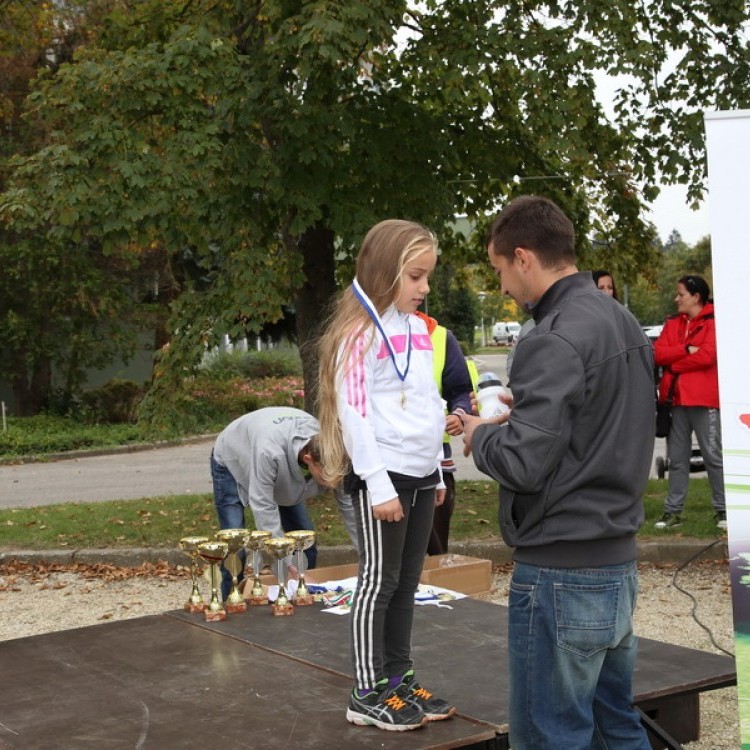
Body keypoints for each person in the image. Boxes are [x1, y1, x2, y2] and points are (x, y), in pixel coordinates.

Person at [460, 196, 655, 750]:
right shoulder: (621, 319)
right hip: (616, 560)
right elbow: (603, 417)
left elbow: (523, 463)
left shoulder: (551, 336)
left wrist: (482, 433)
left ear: (523, 257)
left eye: (499, 270)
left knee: (551, 737)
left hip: (561, 571)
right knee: (616, 725)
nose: (501, 287)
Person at [317, 219, 455, 731]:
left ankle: (398, 678)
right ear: (383, 273)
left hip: (420, 474)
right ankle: (365, 689)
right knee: (379, 581)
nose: (423, 289)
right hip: (384, 477)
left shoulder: (418, 329)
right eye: (415, 277)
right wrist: (377, 483)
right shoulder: (357, 334)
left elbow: (427, 401)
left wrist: (438, 470)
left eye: (426, 279)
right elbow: (354, 414)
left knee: (408, 583)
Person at [210, 406, 357, 600]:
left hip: (282, 469)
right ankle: (230, 603)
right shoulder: (268, 452)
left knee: (304, 545)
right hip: (232, 458)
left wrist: (372, 559)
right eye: (328, 477)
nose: (333, 484)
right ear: (308, 459)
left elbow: (351, 511)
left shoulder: (332, 451)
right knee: (235, 549)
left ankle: (301, 595)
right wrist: (288, 569)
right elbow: (264, 509)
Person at [653, 275, 726, 530]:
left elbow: (707, 356)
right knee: (678, 459)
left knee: (714, 455)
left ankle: (724, 511)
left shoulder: (714, 321)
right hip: (676, 401)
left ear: (696, 297)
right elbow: (657, 353)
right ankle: (672, 512)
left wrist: (675, 366)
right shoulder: (673, 322)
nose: (676, 298)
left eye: (681, 294)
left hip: (705, 400)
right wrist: (685, 350)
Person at [414, 310, 473, 556]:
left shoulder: (440, 337)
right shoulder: (371, 333)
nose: (423, 288)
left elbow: (460, 390)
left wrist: (459, 413)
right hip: (388, 464)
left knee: (436, 550)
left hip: (437, 462)